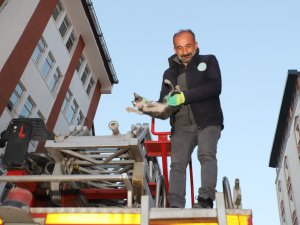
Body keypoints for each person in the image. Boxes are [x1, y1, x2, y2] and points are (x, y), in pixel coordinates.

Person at [158, 29, 224, 208]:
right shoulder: (169, 73)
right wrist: (157, 105)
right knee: (177, 164)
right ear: (174, 49)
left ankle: (205, 199)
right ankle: (175, 204)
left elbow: (214, 87)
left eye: (188, 46)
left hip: (207, 121)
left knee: (206, 154)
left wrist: (184, 97)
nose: (185, 52)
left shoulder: (208, 61)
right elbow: (162, 102)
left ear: (196, 45)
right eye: (180, 48)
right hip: (181, 126)